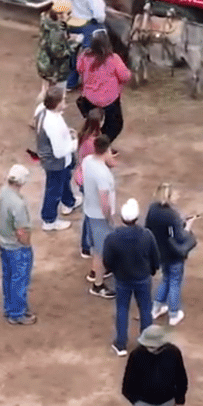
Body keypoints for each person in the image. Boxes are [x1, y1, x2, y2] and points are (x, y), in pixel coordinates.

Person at [105, 199, 161, 357]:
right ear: (137, 218)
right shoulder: (147, 235)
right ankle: (147, 344)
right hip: (143, 278)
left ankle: (121, 344)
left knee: (122, 309)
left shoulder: (113, 237)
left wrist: (114, 271)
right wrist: (152, 270)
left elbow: (107, 261)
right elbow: (155, 257)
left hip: (122, 280)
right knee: (145, 309)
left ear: (122, 218)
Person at [52, 0, 107, 90]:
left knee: (69, 54)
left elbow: (56, 1)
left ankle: (70, 82)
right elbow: (99, 14)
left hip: (67, 23)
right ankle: (93, 80)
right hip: (85, 26)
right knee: (99, 41)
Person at [146, 183, 197, 326]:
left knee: (166, 279)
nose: (177, 196)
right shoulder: (172, 215)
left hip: (160, 253)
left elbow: (149, 229)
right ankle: (174, 314)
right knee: (174, 282)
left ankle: (156, 309)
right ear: (168, 197)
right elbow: (180, 237)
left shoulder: (152, 209)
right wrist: (188, 226)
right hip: (174, 254)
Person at [34, 85, 80, 231]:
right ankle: (49, 220)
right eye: (63, 100)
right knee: (53, 190)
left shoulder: (42, 110)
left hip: (55, 160)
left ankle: (69, 202)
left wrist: (66, 133)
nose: (65, 101)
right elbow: (59, 152)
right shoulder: (52, 124)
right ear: (57, 103)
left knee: (64, 179)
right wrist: (75, 143)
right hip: (55, 162)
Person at [0, 164, 36, 325]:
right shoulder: (18, 204)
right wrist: (27, 245)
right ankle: (17, 313)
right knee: (19, 280)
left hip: (3, 243)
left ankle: (10, 308)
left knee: (8, 277)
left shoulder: (2, 193)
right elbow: (21, 231)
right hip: (17, 247)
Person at [75, 30, 131, 143]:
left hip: (90, 99)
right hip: (109, 101)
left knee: (92, 124)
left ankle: (90, 143)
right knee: (115, 125)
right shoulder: (113, 59)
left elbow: (79, 69)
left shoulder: (85, 56)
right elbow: (125, 76)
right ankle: (102, 145)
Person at [82, 134, 118, 298]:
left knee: (97, 247)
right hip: (100, 217)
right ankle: (98, 285)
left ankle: (96, 271)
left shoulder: (88, 160)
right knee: (100, 251)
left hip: (89, 210)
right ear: (107, 149)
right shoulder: (102, 174)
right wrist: (109, 218)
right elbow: (104, 201)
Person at [74, 108, 104, 258]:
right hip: (89, 181)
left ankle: (88, 243)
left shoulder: (85, 136)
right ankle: (86, 245)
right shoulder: (92, 142)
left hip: (83, 177)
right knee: (90, 214)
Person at [36, 0, 76, 99]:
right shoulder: (56, 32)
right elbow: (58, 53)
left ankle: (41, 105)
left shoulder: (46, 20)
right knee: (59, 94)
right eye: (68, 13)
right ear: (60, 15)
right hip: (55, 68)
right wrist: (73, 44)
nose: (70, 15)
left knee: (44, 89)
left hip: (43, 61)